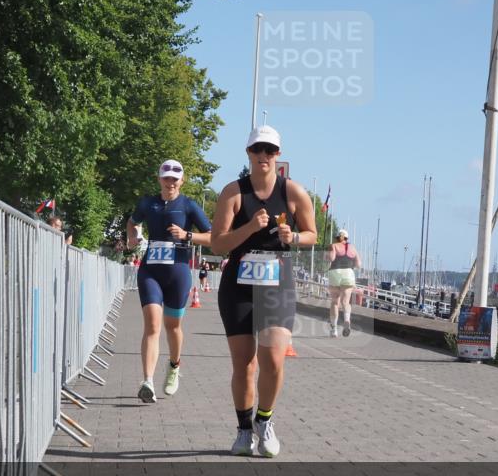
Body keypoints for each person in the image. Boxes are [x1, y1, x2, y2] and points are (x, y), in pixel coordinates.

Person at [211, 125, 317, 457]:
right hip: (238, 286)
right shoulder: (233, 193)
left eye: (270, 151)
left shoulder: (294, 192)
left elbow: (313, 234)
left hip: (277, 283)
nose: (264, 156)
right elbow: (217, 244)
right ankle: (244, 430)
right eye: (258, 150)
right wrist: (250, 227)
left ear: (278, 155)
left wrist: (294, 238)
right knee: (244, 364)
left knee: (273, 359)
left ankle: (264, 420)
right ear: (248, 153)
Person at [126, 159, 212, 403]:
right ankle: (148, 382)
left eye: (175, 178)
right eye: (166, 177)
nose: (170, 182)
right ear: (159, 179)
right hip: (150, 271)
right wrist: (132, 236)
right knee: (152, 325)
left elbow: (213, 236)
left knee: (172, 326)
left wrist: (188, 235)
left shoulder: (189, 205)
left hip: (178, 273)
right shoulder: (148, 203)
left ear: (182, 180)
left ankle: (174, 366)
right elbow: (133, 222)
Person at [325, 228, 361, 337]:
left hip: (335, 273)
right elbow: (359, 264)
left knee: (335, 302)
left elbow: (331, 258)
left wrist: (326, 255)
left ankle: (334, 330)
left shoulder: (334, 245)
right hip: (348, 273)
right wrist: (350, 266)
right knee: (346, 302)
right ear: (347, 238)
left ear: (337, 237)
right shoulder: (353, 248)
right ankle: (346, 320)